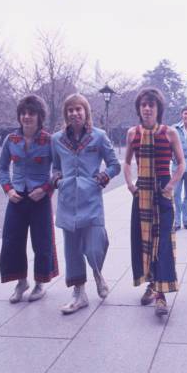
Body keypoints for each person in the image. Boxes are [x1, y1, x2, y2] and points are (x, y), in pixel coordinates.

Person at [51, 93, 121, 315]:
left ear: (86, 112)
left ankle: (98, 273)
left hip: (91, 201)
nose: (74, 113)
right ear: (66, 114)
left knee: (94, 246)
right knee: (72, 250)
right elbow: (54, 167)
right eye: (70, 110)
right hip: (67, 201)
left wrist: (101, 178)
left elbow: (114, 164)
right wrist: (57, 180)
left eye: (78, 109)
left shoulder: (99, 137)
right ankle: (79, 294)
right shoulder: (56, 140)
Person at [124, 87, 185, 317]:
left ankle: (161, 294)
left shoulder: (169, 133)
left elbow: (181, 163)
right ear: (139, 109)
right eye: (143, 105)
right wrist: (130, 184)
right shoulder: (132, 133)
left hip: (162, 193)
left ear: (158, 109)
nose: (147, 108)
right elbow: (127, 162)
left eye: (152, 105)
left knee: (163, 243)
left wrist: (170, 185)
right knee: (144, 241)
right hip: (142, 195)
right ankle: (151, 284)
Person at [0, 94, 58, 303]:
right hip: (16, 198)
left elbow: (59, 170)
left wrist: (46, 189)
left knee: (42, 242)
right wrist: (7, 189)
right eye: (23, 113)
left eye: (31, 113)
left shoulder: (49, 141)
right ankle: (21, 282)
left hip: (39, 199)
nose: (26, 117)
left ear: (39, 116)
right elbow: (3, 167)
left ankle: (40, 283)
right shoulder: (11, 139)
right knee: (11, 240)